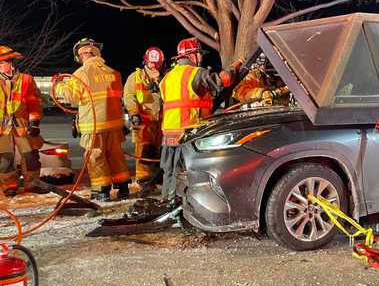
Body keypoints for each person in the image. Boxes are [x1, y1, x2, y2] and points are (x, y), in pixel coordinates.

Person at [159, 38, 243, 199]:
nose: (201, 58)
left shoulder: (167, 78)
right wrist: (235, 66)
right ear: (192, 55)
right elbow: (223, 80)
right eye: (199, 54)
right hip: (188, 132)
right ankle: (183, 206)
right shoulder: (196, 73)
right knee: (188, 174)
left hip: (169, 135)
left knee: (170, 172)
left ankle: (167, 201)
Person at [54, 38, 131, 201]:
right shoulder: (113, 73)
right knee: (115, 155)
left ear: (81, 56)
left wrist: (59, 84)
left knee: (96, 157)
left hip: (93, 125)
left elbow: (72, 98)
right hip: (115, 124)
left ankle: (101, 190)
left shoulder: (81, 74)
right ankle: (123, 186)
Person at [0, 46, 45, 197]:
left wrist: (34, 122)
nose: (1, 66)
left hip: (22, 125)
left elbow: (35, 103)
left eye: (2, 62)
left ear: (10, 62)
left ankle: (33, 183)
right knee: (5, 159)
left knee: (31, 156)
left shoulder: (26, 80)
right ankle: (10, 186)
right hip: (2, 129)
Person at [123, 47, 164, 191]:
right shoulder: (136, 77)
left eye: (157, 63)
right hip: (143, 122)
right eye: (152, 63)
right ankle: (143, 180)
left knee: (160, 150)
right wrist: (134, 113)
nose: (154, 66)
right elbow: (129, 96)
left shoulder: (164, 77)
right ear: (146, 61)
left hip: (161, 121)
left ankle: (157, 177)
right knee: (144, 150)